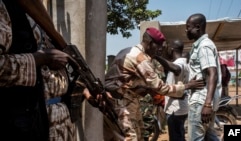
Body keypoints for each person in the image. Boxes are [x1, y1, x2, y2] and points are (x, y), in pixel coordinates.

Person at [0, 0, 103, 140]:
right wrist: (41, 59)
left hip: (61, 127)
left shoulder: (38, 16)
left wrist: (83, 90)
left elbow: (48, 76)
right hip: (26, 125)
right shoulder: (6, 8)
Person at [105, 27, 204, 141]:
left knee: (140, 134)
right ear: (150, 43)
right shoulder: (140, 58)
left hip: (129, 100)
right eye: (159, 46)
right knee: (131, 137)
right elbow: (160, 87)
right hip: (123, 103)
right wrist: (188, 86)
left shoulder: (128, 50)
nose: (160, 50)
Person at [185, 13, 222, 141]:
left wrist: (207, 104)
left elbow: (213, 73)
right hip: (203, 102)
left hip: (200, 102)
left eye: (188, 27)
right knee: (210, 136)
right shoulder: (202, 45)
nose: (186, 30)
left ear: (198, 27)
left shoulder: (204, 46)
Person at [162, 39, 189, 141]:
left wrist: (157, 57)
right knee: (180, 136)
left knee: (175, 138)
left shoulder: (178, 64)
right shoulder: (185, 62)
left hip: (175, 109)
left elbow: (176, 69)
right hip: (181, 107)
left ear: (172, 49)